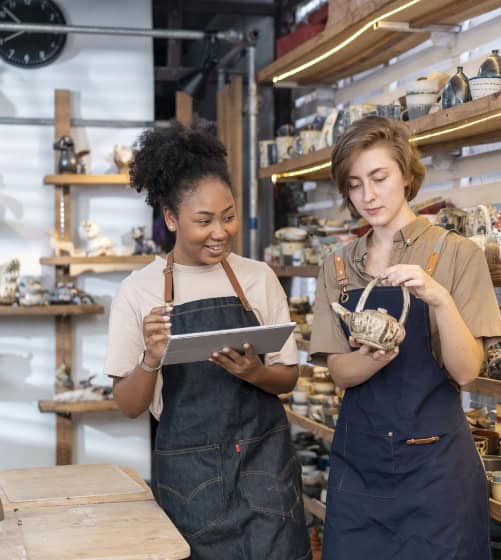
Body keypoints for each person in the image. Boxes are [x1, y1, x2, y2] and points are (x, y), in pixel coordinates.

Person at [104, 121, 310, 560]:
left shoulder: (259, 279)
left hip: (265, 473)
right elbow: (129, 405)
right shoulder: (138, 292)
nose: (220, 231)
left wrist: (256, 372)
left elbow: (288, 377)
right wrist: (150, 359)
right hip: (189, 482)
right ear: (172, 218)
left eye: (228, 216)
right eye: (204, 221)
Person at [310, 116, 501, 559]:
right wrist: (375, 356)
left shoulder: (456, 254)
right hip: (359, 467)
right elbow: (340, 372)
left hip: (436, 473)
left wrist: (438, 299)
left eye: (379, 177)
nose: (368, 195)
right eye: (356, 184)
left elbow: (467, 371)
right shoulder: (338, 267)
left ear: (406, 174)